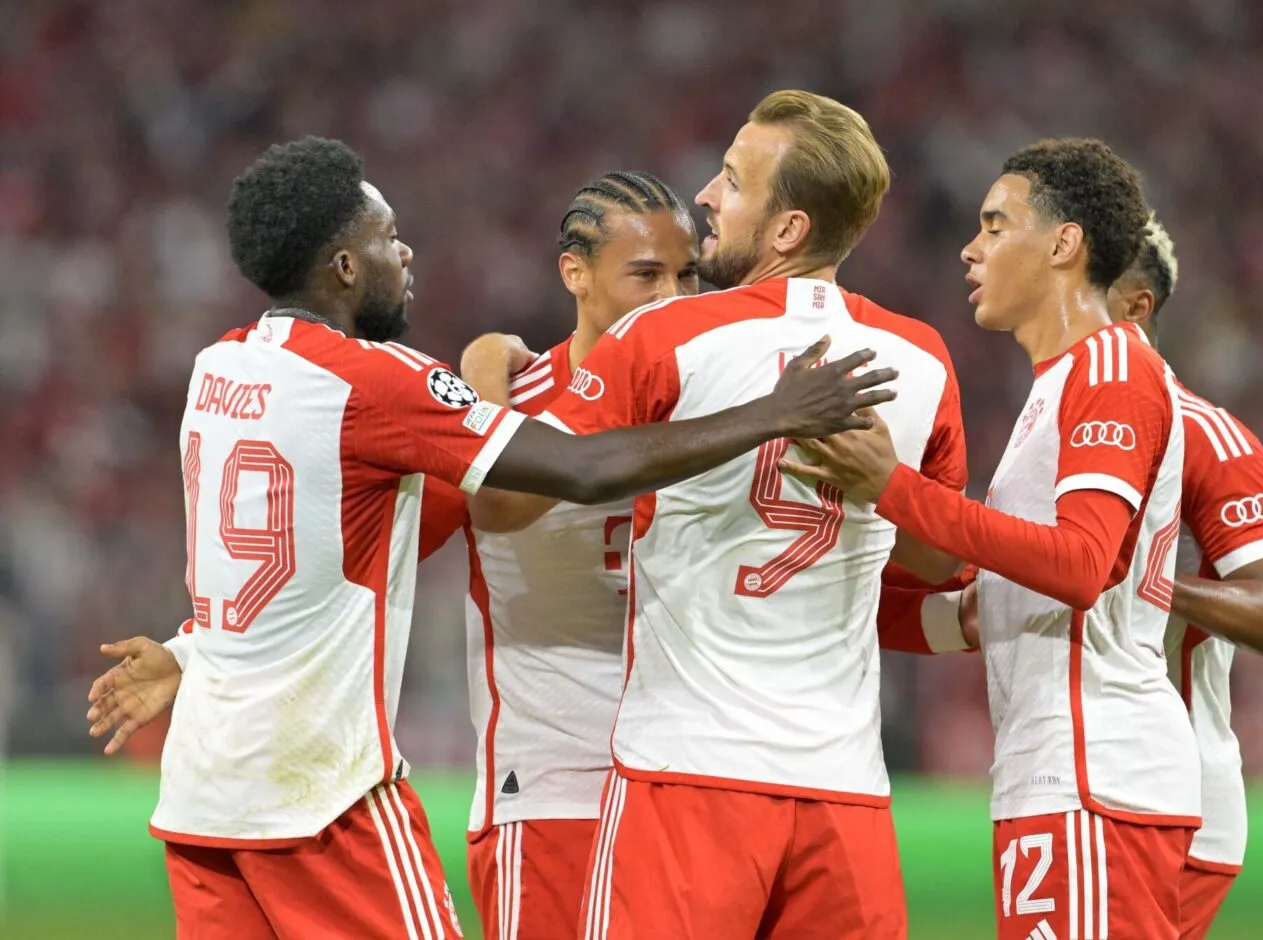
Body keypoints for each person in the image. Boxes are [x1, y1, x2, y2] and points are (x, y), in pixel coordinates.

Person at [84, 136, 894, 940]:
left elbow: (295, 552)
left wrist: (191, 649)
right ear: (345, 267)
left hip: (205, 797)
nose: (406, 253)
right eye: (388, 238)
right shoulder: (378, 384)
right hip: (327, 796)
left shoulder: (219, 368)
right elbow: (573, 469)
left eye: (686, 275)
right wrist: (776, 412)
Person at [466, 89, 967, 940]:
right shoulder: (921, 357)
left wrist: (482, 370)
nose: (706, 195)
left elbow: (506, 498)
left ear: (787, 229)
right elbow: (939, 560)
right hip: (844, 788)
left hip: (688, 774)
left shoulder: (666, 336)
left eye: (732, 182)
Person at [787, 138, 1200, 939]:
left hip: (1095, 774)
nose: (970, 249)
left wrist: (893, 487)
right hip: (1060, 777)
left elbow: (1080, 566)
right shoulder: (1059, 385)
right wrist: (822, 598)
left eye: (995, 225)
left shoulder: (1112, 367)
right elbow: (993, 607)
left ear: (1063, 244)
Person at [459, 171, 701, 940]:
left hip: (690, 784)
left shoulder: (718, 405)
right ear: (576, 274)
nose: (673, 299)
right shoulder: (512, 404)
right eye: (646, 275)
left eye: (688, 275)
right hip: (553, 787)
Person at [1106, 217, 1263, 938]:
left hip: (1172, 803)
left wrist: (1145, 578)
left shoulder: (1203, 436)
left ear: (1134, 306)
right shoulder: (1054, 427)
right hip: (1080, 780)